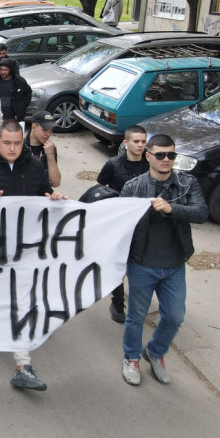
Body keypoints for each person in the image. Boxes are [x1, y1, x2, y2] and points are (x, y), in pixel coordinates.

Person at [0, 120, 66, 392]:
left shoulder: (34, 165)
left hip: (25, 248)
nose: (13, 148)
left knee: (21, 303)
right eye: (7, 143)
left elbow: (45, 192)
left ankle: (23, 365)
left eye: (18, 143)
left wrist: (53, 199)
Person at [120, 134, 208, 386]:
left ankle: (155, 352)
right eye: (160, 155)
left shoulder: (186, 183)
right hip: (142, 264)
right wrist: (121, 264)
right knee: (136, 317)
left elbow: (202, 212)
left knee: (174, 316)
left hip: (174, 265)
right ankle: (131, 358)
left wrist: (172, 209)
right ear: (148, 156)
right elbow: (123, 227)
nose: (166, 160)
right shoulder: (133, 187)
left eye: (171, 155)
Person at [96, 125, 150, 323]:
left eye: (143, 142)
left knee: (139, 264)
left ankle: (138, 301)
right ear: (126, 143)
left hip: (145, 223)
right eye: (136, 141)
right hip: (120, 223)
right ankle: (118, 301)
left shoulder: (150, 163)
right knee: (118, 263)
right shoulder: (113, 164)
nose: (140, 145)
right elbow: (99, 188)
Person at [0, 58, 31, 124]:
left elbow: (28, 91)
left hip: (13, 117)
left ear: (10, 70)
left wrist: (22, 105)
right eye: (1, 70)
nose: (3, 72)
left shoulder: (19, 81)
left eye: (5, 70)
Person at [24, 111, 61, 187]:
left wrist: (50, 156)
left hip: (42, 193)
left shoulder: (50, 148)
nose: (48, 134)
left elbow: (56, 183)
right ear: (33, 127)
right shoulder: (20, 146)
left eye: (51, 130)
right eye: (44, 130)